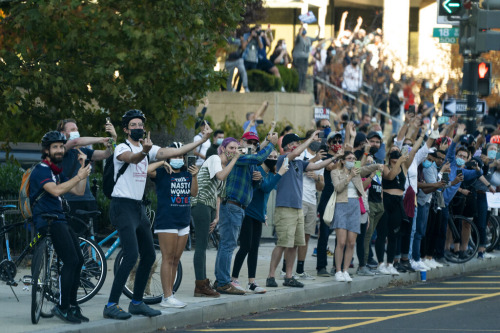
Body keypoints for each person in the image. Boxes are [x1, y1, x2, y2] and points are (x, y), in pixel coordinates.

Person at [104, 109, 212, 320]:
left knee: (150, 256)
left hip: (137, 207)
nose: (138, 128)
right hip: (122, 206)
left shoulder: (149, 148)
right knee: (131, 255)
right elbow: (133, 159)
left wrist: (202, 140)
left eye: (140, 125)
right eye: (133, 125)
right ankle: (111, 304)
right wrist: (144, 152)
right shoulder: (121, 148)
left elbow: (170, 153)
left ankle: (136, 303)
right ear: (125, 129)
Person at [30, 131, 91, 323]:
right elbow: (55, 190)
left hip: (59, 219)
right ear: (46, 150)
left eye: (61, 147)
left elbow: (78, 191)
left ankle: (72, 306)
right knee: (71, 261)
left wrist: (84, 168)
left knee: (79, 260)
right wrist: (78, 176)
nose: (59, 150)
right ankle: (62, 307)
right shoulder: (41, 170)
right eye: (55, 147)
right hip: (48, 220)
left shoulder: (57, 172)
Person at [266, 131, 336, 288]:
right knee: (282, 243)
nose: (298, 146)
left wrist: (335, 158)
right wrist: (310, 139)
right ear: (289, 146)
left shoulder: (299, 163)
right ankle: (271, 276)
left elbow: (318, 165)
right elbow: (296, 152)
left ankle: (289, 276)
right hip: (285, 207)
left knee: (295, 244)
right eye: (296, 143)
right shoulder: (284, 159)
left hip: (297, 208)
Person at [215, 131, 278, 295]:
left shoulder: (248, 162)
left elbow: (253, 186)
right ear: (241, 142)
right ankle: (224, 282)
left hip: (240, 207)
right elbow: (257, 158)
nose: (252, 145)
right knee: (228, 246)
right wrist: (271, 143)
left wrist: (257, 180)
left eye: (255, 143)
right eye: (249, 142)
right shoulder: (238, 155)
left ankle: (221, 280)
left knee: (227, 245)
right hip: (232, 206)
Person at [148, 142, 199, 308]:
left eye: (181, 156)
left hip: (183, 220)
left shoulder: (186, 173)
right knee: (167, 258)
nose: (178, 158)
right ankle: (166, 296)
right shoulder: (163, 172)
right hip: (167, 221)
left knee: (176, 260)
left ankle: (170, 294)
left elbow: (193, 193)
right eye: (175, 155)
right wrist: (162, 162)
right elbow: (146, 170)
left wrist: (195, 176)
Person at [231, 149, 288, 293]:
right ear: (263, 158)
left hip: (258, 215)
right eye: (270, 156)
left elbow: (266, 196)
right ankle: (233, 279)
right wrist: (280, 173)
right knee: (245, 246)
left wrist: (264, 213)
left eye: (275, 157)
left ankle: (252, 282)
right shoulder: (257, 171)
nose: (273, 159)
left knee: (254, 248)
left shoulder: (269, 173)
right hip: (248, 212)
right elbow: (266, 187)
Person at [191, 138, 240, 298]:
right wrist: (236, 159)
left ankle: (203, 283)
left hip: (210, 207)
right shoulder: (214, 159)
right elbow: (219, 176)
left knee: (204, 246)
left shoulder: (225, 166)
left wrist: (217, 217)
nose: (234, 151)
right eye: (231, 147)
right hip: (200, 202)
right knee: (201, 246)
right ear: (223, 148)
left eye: (236, 148)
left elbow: (219, 195)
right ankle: (200, 285)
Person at [57, 118, 117, 234]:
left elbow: (108, 154)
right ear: (63, 133)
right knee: (73, 238)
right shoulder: (60, 151)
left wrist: (113, 139)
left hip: (88, 199)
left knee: (89, 239)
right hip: (70, 202)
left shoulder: (83, 151)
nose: (76, 132)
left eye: (77, 129)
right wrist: (101, 139)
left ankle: (89, 252)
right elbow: (75, 142)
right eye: (72, 129)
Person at [331, 151, 382, 282]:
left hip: (355, 206)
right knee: (341, 242)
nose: (352, 161)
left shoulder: (357, 172)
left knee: (351, 242)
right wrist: (349, 176)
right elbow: (338, 188)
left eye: (354, 159)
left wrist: (377, 166)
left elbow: (367, 168)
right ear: (342, 160)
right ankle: (338, 270)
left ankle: (346, 270)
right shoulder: (336, 172)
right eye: (349, 158)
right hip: (341, 205)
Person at [293, 24, 318, 93]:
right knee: (300, 73)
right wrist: (301, 27)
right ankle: (299, 89)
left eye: (304, 30)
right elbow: (298, 36)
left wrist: (319, 30)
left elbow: (316, 38)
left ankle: (303, 89)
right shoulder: (299, 38)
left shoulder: (308, 38)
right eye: (303, 30)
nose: (304, 31)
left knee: (304, 73)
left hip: (305, 57)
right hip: (299, 57)